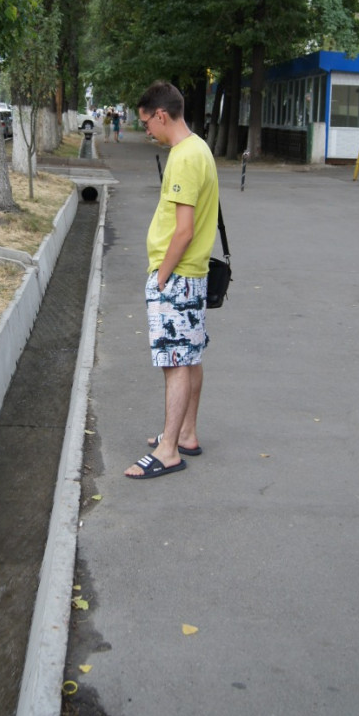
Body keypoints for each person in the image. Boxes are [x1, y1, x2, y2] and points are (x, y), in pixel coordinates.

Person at [125, 81, 219, 480]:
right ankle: (186, 434)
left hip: (176, 276)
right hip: (191, 274)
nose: (147, 130)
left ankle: (168, 451)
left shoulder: (183, 157)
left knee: (175, 363)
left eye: (147, 122)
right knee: (190, 356)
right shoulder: (199, 148)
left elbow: (183, 230)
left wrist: (161, 278)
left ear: (161, 115)